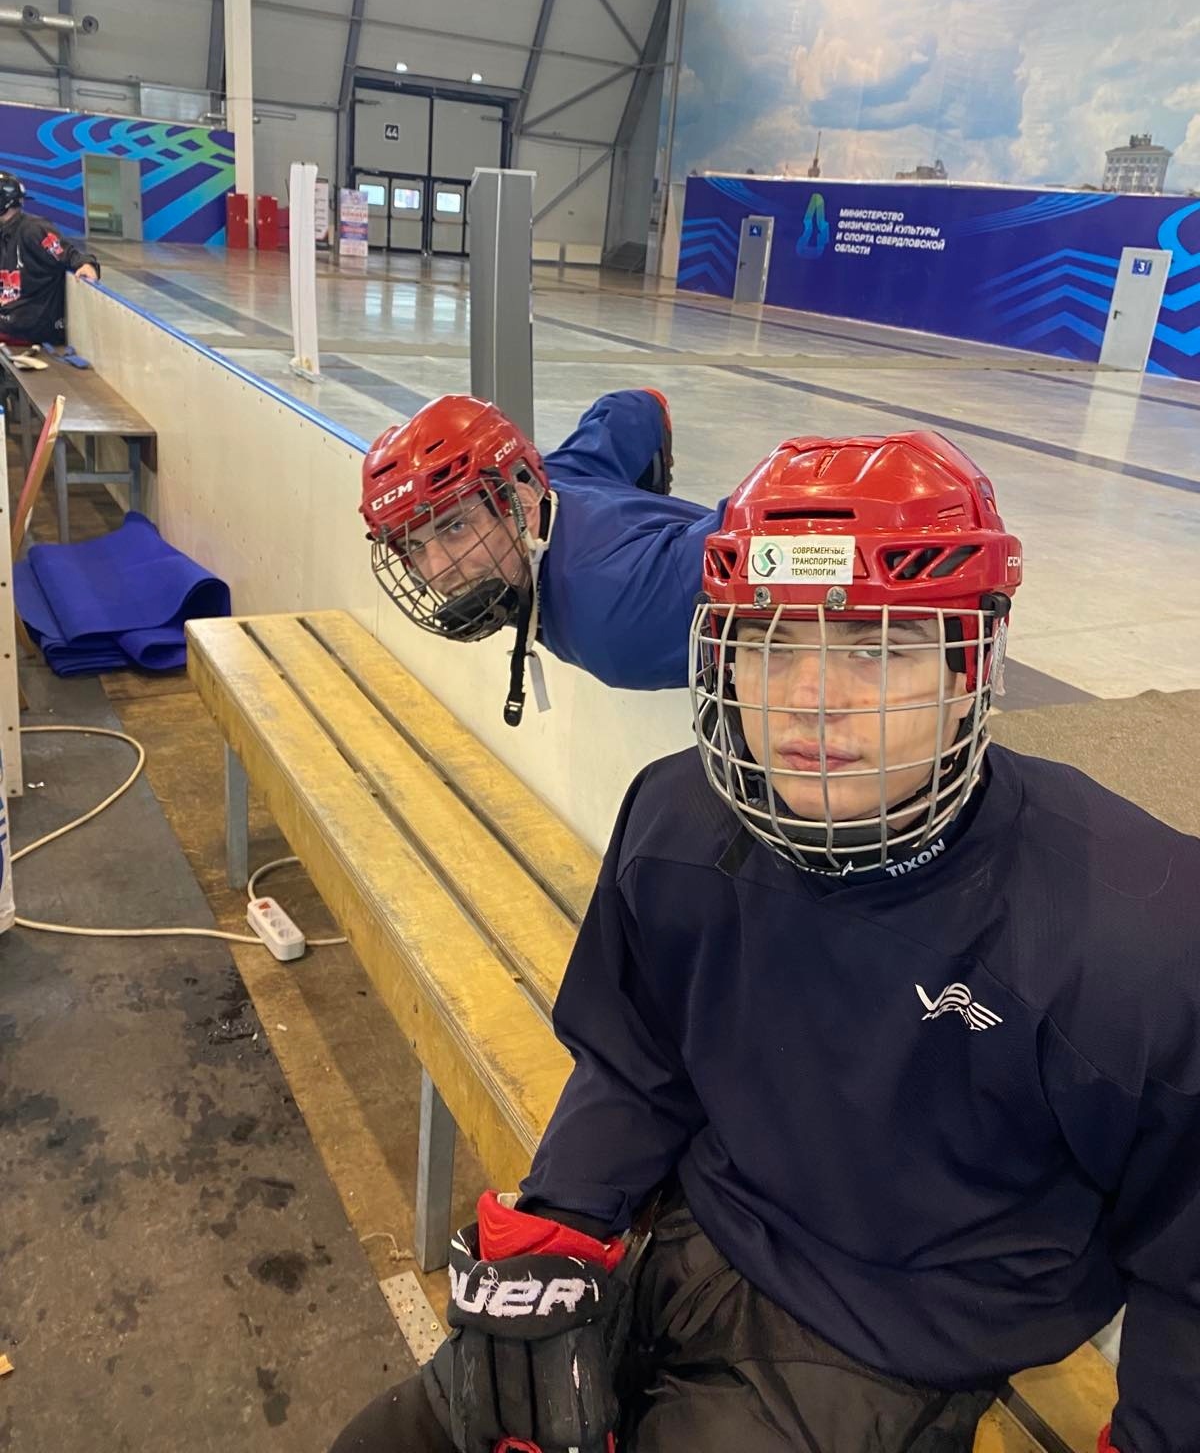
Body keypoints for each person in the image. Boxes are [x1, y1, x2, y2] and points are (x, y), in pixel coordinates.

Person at [334, 429, 1200, 1453]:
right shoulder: (676, 821)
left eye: (877, 646)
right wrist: (562, 1224)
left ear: (973, 663)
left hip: (885, 1335)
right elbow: (637, 1059)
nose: (809, 699)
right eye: (770, 642)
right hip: (692, 1233)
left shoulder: (1133, 933)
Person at [360, 389, 725, 722]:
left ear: (524, 506)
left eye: (455, 527)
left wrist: (652, 563)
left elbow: (756, 537)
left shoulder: (617, 618)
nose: (438, 571)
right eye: (414, 546)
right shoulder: (551, 485)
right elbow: (635, 407)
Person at [0, 172, 100, 349]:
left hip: (28, 325)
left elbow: (67, 254)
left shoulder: (33, 230)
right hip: (11, 320)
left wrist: (87, 264)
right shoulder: (5, 233)